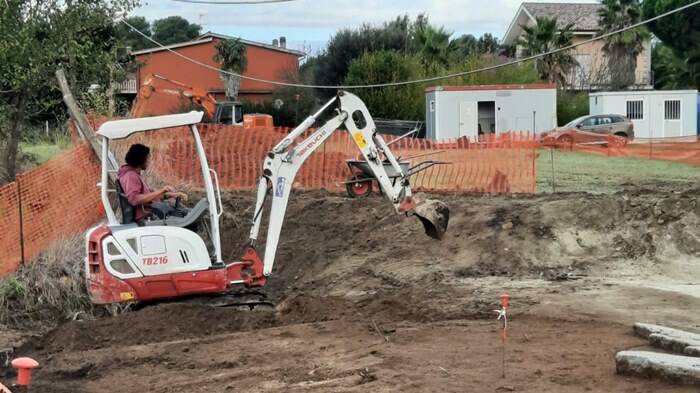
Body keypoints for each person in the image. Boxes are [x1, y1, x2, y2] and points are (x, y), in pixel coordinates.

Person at [117, 143, 188, 224]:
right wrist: (161, 190)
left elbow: (151, 197)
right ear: (140, 159)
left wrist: (173, 195)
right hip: (146, 216)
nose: (149, 162)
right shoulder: (131, 176)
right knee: (185, 219)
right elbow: (134, 199)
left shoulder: (135, 175)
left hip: (151, 212)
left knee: (185, 214)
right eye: (148, 159)